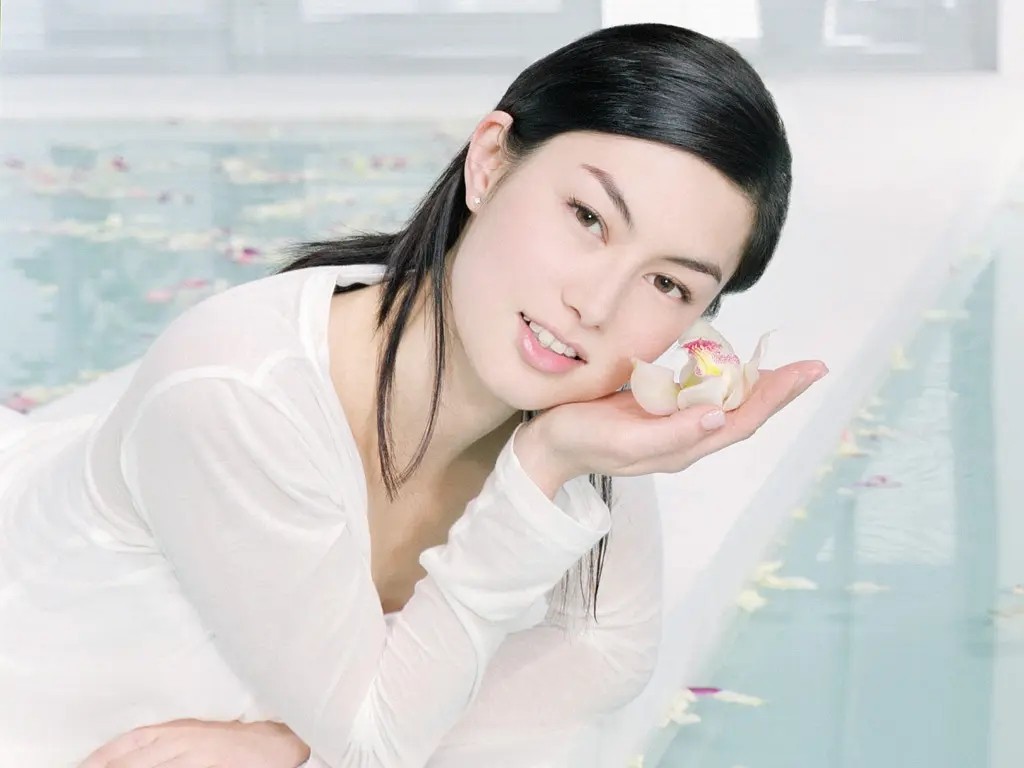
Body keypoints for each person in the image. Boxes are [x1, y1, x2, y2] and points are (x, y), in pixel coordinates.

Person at [0, 22, 826, 768]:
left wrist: (297, 738)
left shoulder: (571, 407)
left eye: (668, 284)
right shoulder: (240, 395)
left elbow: (607, 652)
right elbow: (373, 743)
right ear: (491, 161)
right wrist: (539, 471)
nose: (598, 304)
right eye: (587, 217)